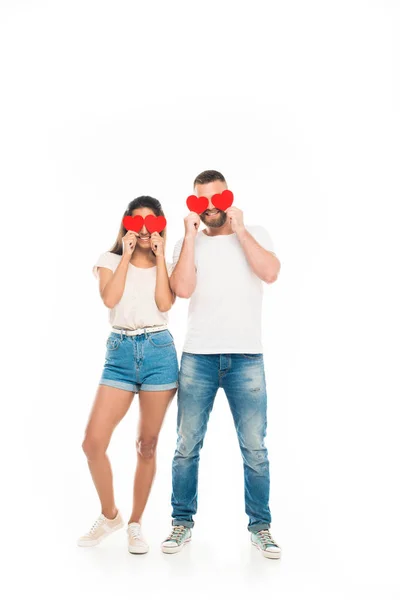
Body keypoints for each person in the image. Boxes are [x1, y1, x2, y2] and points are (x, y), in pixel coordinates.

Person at [161, 170, 282, 559]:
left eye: (217, 198)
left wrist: (241, 231)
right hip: (198, 356)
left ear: (229, 197)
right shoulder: (187, 242)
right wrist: (192, 236)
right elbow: (182, 290)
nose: (210, 206)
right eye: (201, 200)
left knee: (255, 449)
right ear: (193, 202)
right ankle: (181, 523)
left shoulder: (256, 232)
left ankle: (260, 528)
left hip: (247, 356)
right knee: (186, 446)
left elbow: (271, 273)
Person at [78, 196, 178, 554]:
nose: (145, 227)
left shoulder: (164, 261)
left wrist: (160, 256)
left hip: (159, 353)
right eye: (138, 221)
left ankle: (136, 523)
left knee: (146, 445)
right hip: (119, 354)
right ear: (127, 223)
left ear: (161, 225)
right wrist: (126, 251)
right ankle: (110, 516)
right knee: (92, 442)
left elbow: (165, 305)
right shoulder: (109, 260)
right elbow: (110, 299)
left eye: (152, 222)